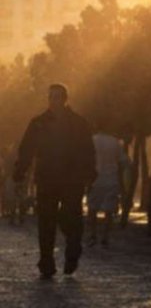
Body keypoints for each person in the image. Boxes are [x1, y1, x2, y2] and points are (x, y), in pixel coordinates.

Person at [14, 84, 96, 278]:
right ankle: (46, 261)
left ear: (65, 99)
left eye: (58, 97)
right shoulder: (38, 123)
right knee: (46, 222)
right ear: (48, 99)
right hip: (47, 179)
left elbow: (88, 151)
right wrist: (19, 172)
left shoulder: (78, 123)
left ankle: (73, 250)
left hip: (72, 180)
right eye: (51, 97)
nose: (54, 101)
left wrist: (90, 174)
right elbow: (26, 149)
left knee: (71, 218)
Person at [87, 121, 129, 247]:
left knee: (92, 208)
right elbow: (124, 162)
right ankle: (105, 237)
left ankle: (93, 235)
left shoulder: (91, 141)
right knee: (108, 210)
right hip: (111, 180)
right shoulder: (115, 142)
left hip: (94, 180)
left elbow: (86, 159)